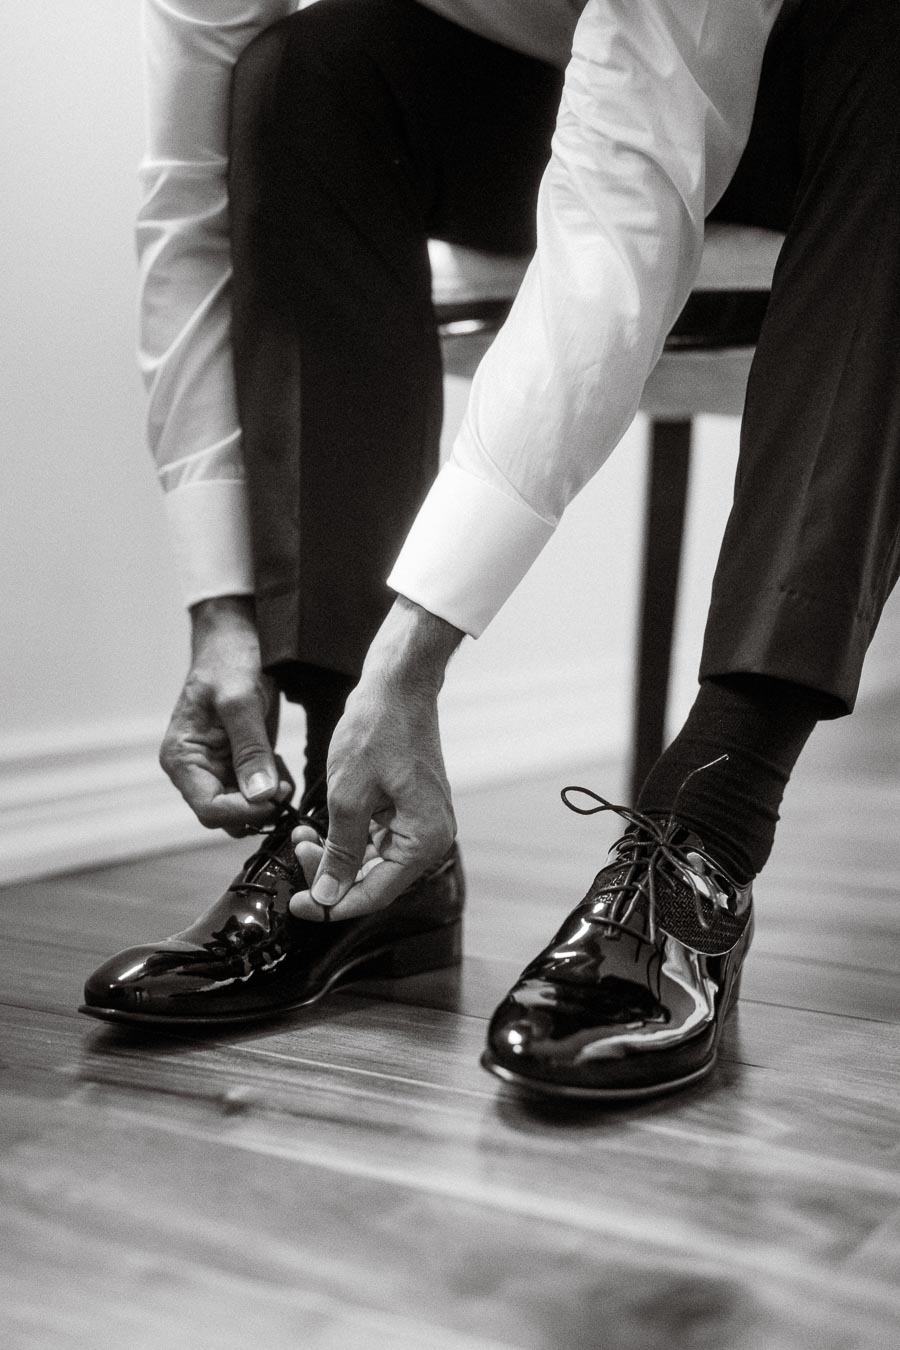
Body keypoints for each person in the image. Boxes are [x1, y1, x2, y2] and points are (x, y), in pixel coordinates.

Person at [81, 0, 900, 1101]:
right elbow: (191, 207)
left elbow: (627, 188)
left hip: (804, 102)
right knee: (305, 69)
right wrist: (220, 599)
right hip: (539, 91)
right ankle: (350, 822)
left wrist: (414, 651)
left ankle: (709, 826)